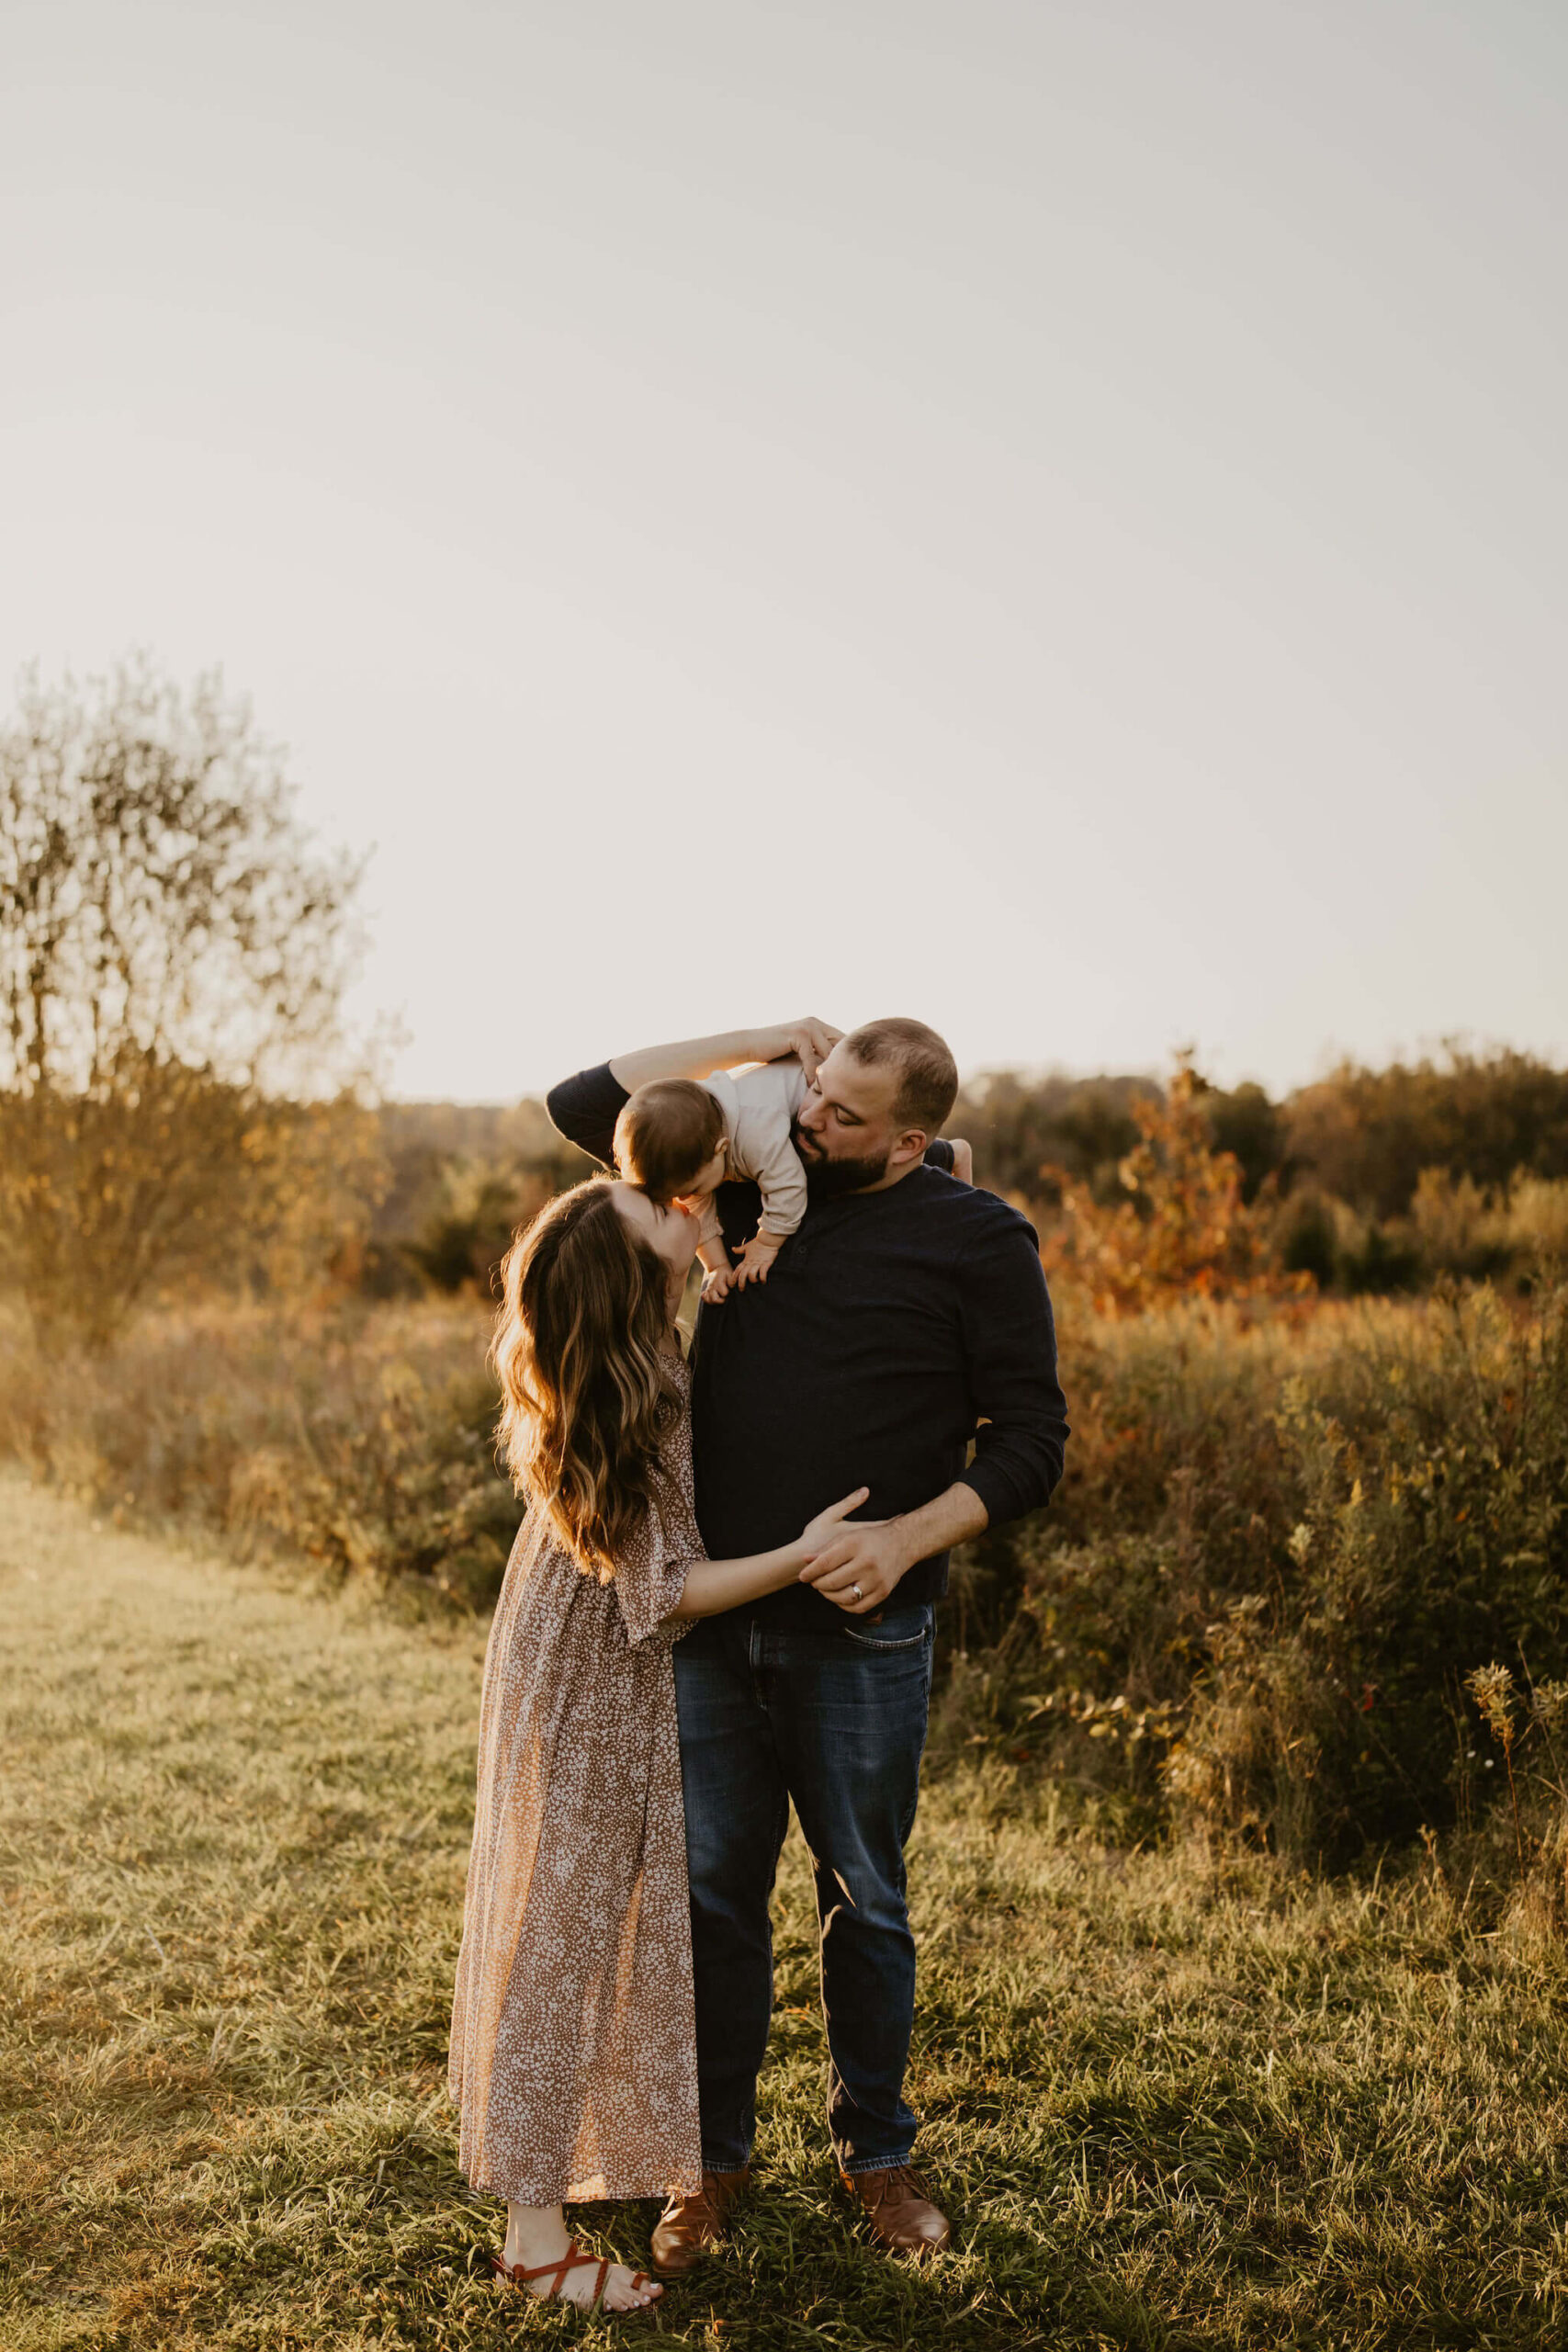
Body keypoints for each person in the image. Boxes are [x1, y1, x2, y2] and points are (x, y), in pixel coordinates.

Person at [547, 1015, 1069, 2269]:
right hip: (712, 1625)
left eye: (840, 1115)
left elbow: (1030, 1440)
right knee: (714, 1902)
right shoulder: (732, 1170)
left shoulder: (976, 1237)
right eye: (811, 1094)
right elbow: (579, 1100)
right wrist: (763, 1033)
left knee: (866, 1900)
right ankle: (707, 2165)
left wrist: (906, 1541)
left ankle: (874, 2159)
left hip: (865, 1634)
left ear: (910, 1137)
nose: (807, 1122)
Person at [447, 1174, 873, 2314]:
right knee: (563, 1931)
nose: (688, 1213)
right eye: (663, 1222)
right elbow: (669, 1593)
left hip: (563, 1643)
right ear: (635, 1284)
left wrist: (776, 1046)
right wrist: (804, 1551)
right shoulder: (645, 1396)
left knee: (572, 1919)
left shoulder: (617, 1359)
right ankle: (535, 2240)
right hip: (593, 1675)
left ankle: (549, 2188)